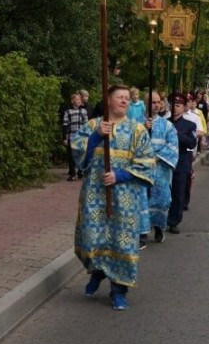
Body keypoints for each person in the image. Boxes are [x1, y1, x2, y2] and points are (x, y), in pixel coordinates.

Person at [71, 85, 155, 311]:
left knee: (123, 242)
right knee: (94, 238)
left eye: (128, 98)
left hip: (125, 197)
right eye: (120, 97)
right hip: (95, 194)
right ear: (108, 100)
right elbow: (78, 155)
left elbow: (147, 164)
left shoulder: (138, 130)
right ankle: (98, 272)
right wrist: (97, 136)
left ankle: (119, 290)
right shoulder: (93, 126)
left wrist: (120, 175)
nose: (125, 101)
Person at [146, 91, 178, 244]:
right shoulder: (135, 122)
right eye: (153, 102)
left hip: (160, 168)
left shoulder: (168, 125)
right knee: (142, 200)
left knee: (162, 199)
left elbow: (173, 146)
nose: (157, 105)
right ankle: (142, 232)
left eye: (158, 102)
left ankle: (159, 227)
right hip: (141, 167)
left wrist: (157, 158)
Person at [166, 93, 199, 234]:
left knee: (178, 192)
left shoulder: (189, 124)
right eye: (173, 105)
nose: (175, 108)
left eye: (178, 105)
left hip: (180, 160)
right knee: (163, 191)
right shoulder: (164, 122)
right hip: (164, 161)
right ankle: (159, 219)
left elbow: (192, 142)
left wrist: (177, 135)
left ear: (184, 107)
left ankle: (174, 221)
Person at [61, 92, 88, 181]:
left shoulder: (83, 111)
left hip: (81, 137)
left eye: (80, 99)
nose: (79, 101)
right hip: (71, 136)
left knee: (81, 154)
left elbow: (86, 124)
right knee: (71, 155)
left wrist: (87, 135)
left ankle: (81, 171)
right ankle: (72, 173)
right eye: (77, 99)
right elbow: (65, 125)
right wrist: (64, 138)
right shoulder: (68, 112)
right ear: (72, 101)